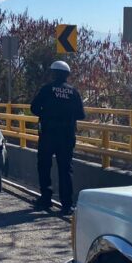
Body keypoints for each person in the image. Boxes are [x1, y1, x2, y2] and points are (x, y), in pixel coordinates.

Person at [30, 60, 86, 216]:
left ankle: (46, 199)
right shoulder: (74, 92)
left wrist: (47, 114)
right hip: (67, 136)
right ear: (67, 75)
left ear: (53, 73)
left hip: (48, 134)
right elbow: (81, 114)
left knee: (44, 166)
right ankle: (67, 205)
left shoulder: (47, 89)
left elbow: (33, 108)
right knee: (65, 169)